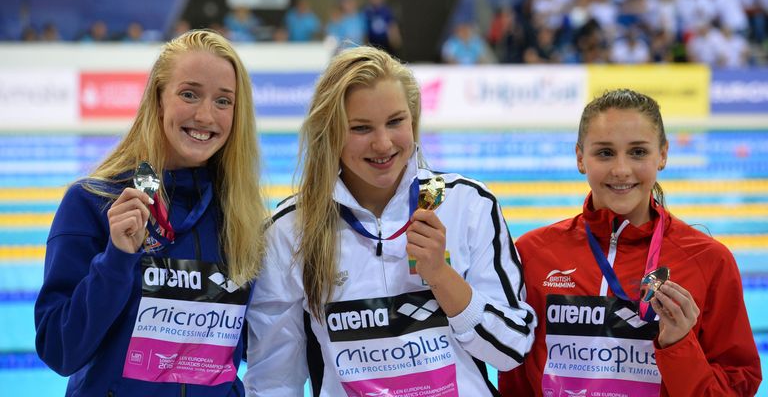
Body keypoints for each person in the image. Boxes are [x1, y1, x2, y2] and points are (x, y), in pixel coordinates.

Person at [244, 46, 536, 395]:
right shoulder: (290, 230)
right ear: (330, 132)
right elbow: (274, 379)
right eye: (361, 128)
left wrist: (441, 276)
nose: (382, 144)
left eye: (395, 122)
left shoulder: (467, 203)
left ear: (414, 120)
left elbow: (511, 348)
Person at [34, 29, 268, 396]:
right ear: (158, 99)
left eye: (223, 101)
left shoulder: (242, 215)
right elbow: (60, 351)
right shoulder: (93, 202)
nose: (205, 115)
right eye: (189, 94)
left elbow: (259, 349)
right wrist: (116, 260)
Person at [499, 89, 762, 396]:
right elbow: (513, 379)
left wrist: (678, 344)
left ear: (662, 154)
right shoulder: (533, 254)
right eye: (605, 153)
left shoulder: (708, 260)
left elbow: (735, 388)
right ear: (580, 158)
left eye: (638, 152)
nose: (621, 170)